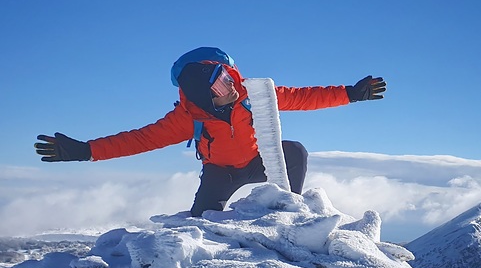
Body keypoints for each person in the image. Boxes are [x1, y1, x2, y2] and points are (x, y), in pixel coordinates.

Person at [35, 47, 386, 216]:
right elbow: (139, 139)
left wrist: (351, 94)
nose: (227, 85)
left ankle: (285, 211)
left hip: (260, 162)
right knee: (202, 221)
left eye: (224, 75)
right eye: (218, 84)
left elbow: (304, 97)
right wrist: (85, 150)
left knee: (294, 150)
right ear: (203, 96)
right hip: (220, 172)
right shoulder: (187, 117)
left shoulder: (255, 94)